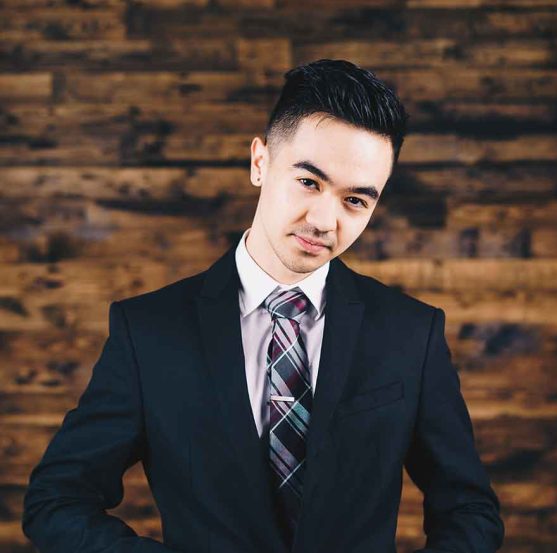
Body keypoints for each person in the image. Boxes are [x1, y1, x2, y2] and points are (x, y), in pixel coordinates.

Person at [22, 59, 505, 553]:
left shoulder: (411, 334)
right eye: (309, 182)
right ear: (260, 162)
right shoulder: (148, 331)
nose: (324, 221)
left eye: (356, 201)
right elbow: (56, 501)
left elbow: (469, 511)